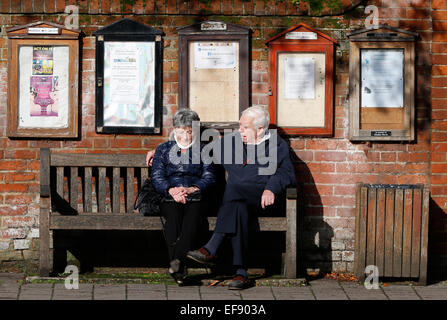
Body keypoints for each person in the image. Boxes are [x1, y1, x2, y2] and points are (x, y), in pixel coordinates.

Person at [147, 106, 296, 289]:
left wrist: (271, 189)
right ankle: (241, 273)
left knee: (235, 190)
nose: (239, 130)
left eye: (245, 127)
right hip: (238, 203)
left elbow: (287, 173)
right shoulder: (232, 142)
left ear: (260, 130)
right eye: (240, 126)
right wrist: (158, 152)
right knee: (237, 207)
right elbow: (195, 148)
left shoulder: (276, 144)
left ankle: (211, 248)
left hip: (264, 200)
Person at [150, 109, 215, 285]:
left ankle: (176, 265)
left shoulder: (203, 150)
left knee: (192, 219)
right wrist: (171, 190)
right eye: (180, 130)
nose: (185, 135)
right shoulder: (163, 149)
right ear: (174, 130)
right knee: (173, 218)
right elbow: (157, 176)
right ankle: (180, 266)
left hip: (195, 197)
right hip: (170, 196)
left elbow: (209, 177)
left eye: (189, 130)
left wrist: (193, 188)